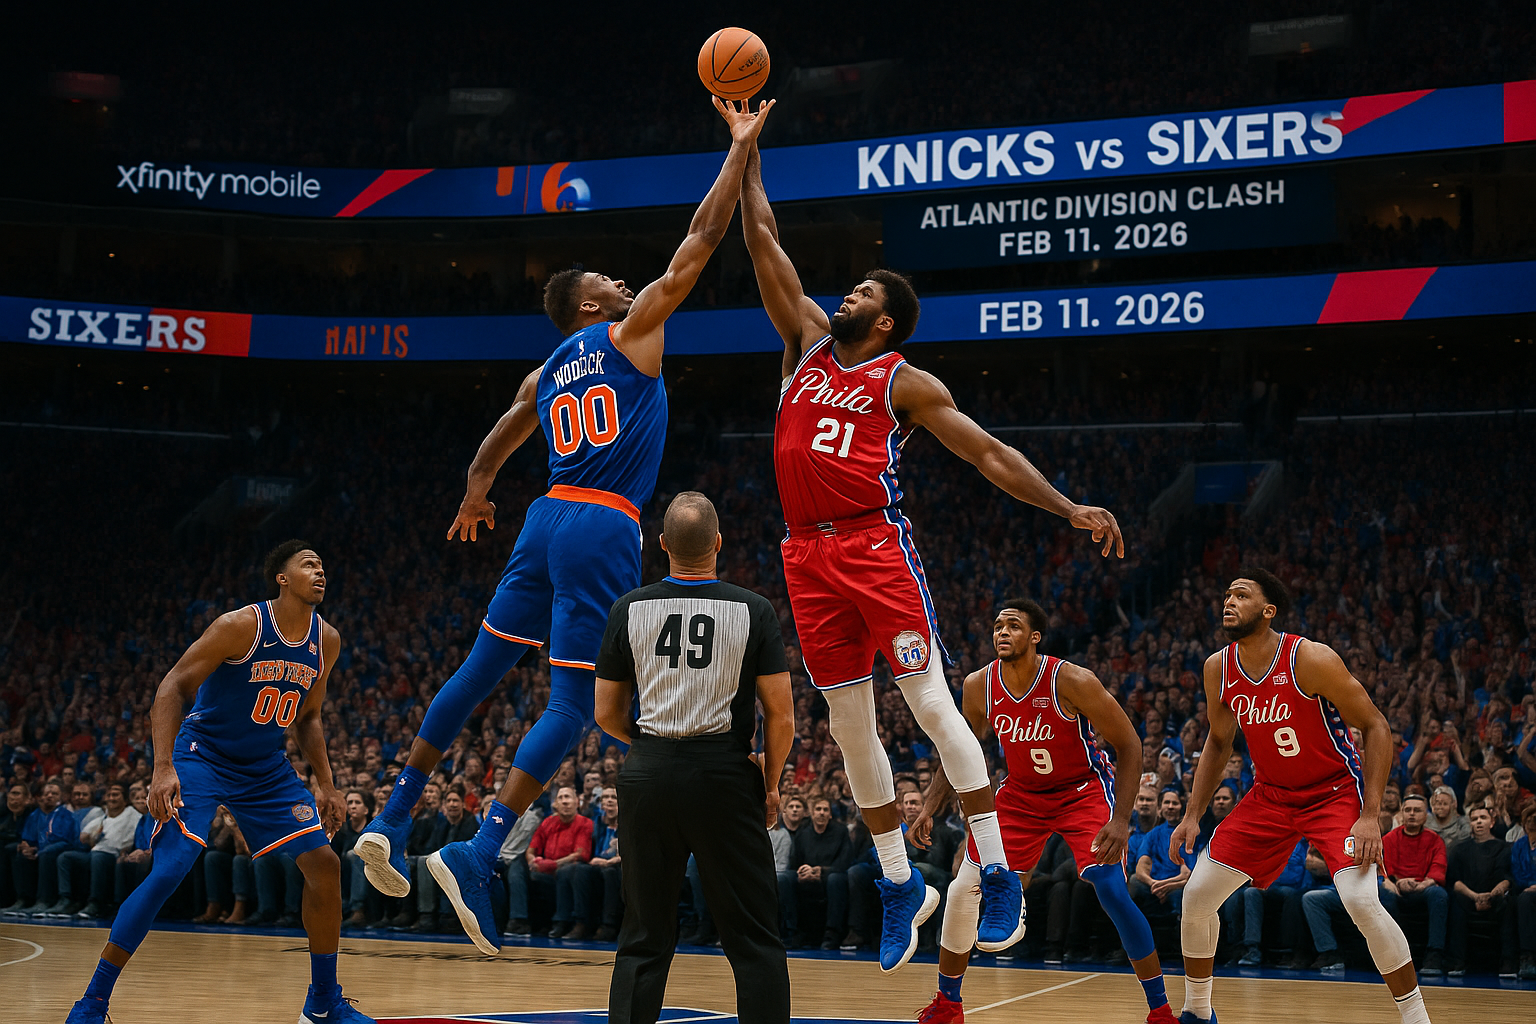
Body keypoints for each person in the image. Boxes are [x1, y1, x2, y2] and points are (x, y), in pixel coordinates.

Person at [354, 98, 776, 959]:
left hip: (541, 517)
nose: (625, 285)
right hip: (600, 524)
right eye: (609, 286)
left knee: (479, 670)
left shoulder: (548, 367)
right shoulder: (630, 333)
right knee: (574, 703)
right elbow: (699, 240)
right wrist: (737, 151)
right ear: (591, 308)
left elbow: (506, 429)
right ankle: (478, 850)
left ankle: (393, 817)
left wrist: (477, 490)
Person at [739, 131, 1123, 975]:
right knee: (845, 727)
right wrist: (746, 154)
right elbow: (764, 242)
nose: (846, 292)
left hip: (876, 548)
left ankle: (994, 868)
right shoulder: (803, 344)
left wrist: (1065, 506)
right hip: (805, 556)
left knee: (932, 707)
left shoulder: (904, 381)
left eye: (864, 290)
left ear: (884, 321)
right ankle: (895, 883)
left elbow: (989, 454)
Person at [62, 541, 366, 1024]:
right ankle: (92, 1002)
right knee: (171, 867)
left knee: (325, 866)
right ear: (281, 578)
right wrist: (164, 767)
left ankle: (324, 1001)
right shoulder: (241, 626)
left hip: (265, 767)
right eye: (309, 564)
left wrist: (326, 784)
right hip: (203, 755)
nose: (321, 571)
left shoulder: (326, 640)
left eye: (323, 565)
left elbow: (309, 716)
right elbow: (172, 687)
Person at [1171, 569, 1432, 1024]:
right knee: (1195, 899)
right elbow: (1217, 741)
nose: (1228, 601)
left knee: (1361, 901)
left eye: (1241, 595)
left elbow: (1376, 726)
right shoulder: (1218, 667)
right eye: (1226, 594)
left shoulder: (1309, 657)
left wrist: (1371, 815)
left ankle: (1416, 1018)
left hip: (1333, 794)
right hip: (1270, 797)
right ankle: (1197, 1010)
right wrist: (1192, 814)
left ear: (1268, 610)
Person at [911, 599, 1174, 1024]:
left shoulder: (1071, 679)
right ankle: (948, 1004)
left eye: (1013, 626)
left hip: (1081, 791)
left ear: (1034, 637)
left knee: (1109, 888)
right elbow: (960, 750)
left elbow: (1129, 745)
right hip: (1020, 795)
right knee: (964, 888)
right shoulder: (979, 685)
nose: (1002, 632)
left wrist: (1121, 819)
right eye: (997, 625)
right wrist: (930, 804)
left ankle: (1160, 1009)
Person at [594, 491, 794, 1024]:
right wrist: (770, 784)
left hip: (648, 774)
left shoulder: (628, 608)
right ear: (719, 544)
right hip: (725, 777)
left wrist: (650, 748)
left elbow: (606, 712)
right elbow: (781, 716)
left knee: (643, 935)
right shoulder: (753, 609)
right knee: (753, 937)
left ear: (662, 546)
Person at [1380, 794, 1448, 975]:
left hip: (1423, 887)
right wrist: (1393, 882)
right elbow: (1382, 868)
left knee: (1439, 895)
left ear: (1426, 816)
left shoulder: (1435, 839)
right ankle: (1394, 954)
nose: (1412, 814)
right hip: (1396, 887)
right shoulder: (1389, 838)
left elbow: (1438, 866)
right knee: (1383, 892)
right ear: (1401, 813)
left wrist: (1426, 883)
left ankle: (1434, 954)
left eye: (1417, 810)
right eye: (1408, 810)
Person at [1445, 806, 1515, 977]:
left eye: (1483, 818)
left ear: (1491, 822)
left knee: (1510, 903)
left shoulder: (1504, 847)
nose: (1478, 822)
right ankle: (1457, 962)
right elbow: (1454, 881)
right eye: (1475, 819)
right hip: (1468, 897)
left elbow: (1508, 878)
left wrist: (1493, 894)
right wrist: (1475, 897)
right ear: (1470, 823)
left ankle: (1509, 961)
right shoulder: (1459, 849)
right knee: (1454, 901)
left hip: (1496, 897)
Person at [57, 783, 141, 919]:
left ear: (125, 800)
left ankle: (95, 903)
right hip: (96, 853)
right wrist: (89, 838)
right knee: (66, 857)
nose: (112, 798)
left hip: (114, 855)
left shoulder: (132, 814)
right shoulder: (104, 817)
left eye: (116, 795)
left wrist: (126, 850)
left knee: (97, 856)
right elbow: (84, 836)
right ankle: (66, 900)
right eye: (109, 795)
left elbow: (134, 836)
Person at [521, 785, 593, 938]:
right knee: (530, 875)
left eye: (568, 797)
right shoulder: (548, 822)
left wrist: (552, 864)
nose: (564, 802)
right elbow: (531, 849)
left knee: (566, 871)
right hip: (549, 872)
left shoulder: (584, 823)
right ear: (555, 804)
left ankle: (564, 922)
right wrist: (532, 861)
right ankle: (536, 924)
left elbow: (579, 855)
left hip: (571, 869)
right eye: (560, 798)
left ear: (577, 802)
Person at [790, 796, 854, 950]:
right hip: (806, 875)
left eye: (825, 810)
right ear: (812, 813)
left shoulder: (841, 831)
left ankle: (832, 935)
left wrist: (822, 871)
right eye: (818, 809)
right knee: (785, 879)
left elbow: (845, 862)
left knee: (835, 880)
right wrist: (803, 870)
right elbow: (794, 862)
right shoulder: (802, 833)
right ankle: (790, 933)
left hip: (831, 875)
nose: (822, 813)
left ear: (830, 815)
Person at [7, 781, 75, 915]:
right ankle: (24, 899)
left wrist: (38, 849)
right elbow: (28, 838)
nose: (49, 796)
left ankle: (45, 900)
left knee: (46, 854)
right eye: (47, 793)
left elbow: (65, 840)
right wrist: (26, 846)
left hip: (59, 849)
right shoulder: (35, 815)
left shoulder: (65, 815)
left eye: (54, 793)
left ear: (61, 798)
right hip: (40, 850)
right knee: (20, 854)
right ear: (41, 797)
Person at [1511, 802, 1536, 980]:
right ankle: (1527, 957)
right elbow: (1517, 872)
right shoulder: (1519, 845)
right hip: (1526, 889)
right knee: (1524, 900)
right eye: (1529, 819)